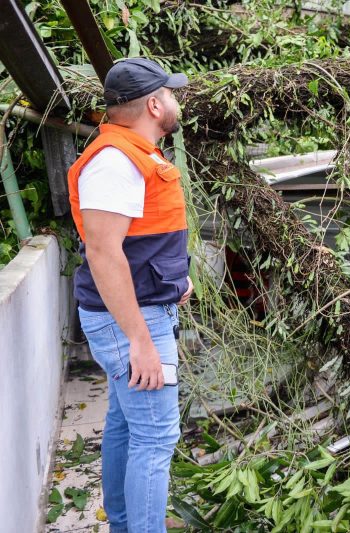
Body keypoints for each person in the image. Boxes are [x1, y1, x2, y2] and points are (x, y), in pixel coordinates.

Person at [67, 57, 192, 533]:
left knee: (126, 424)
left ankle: (123, 524)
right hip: (131, 323)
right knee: (156, 437)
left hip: (141, 310)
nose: (176, 101)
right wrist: (139, 340)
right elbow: (103, 253)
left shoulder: (132, 154)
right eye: (171, 94)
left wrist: (175, 281)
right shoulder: (115, 162)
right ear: (155, 105)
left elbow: (140, 241)